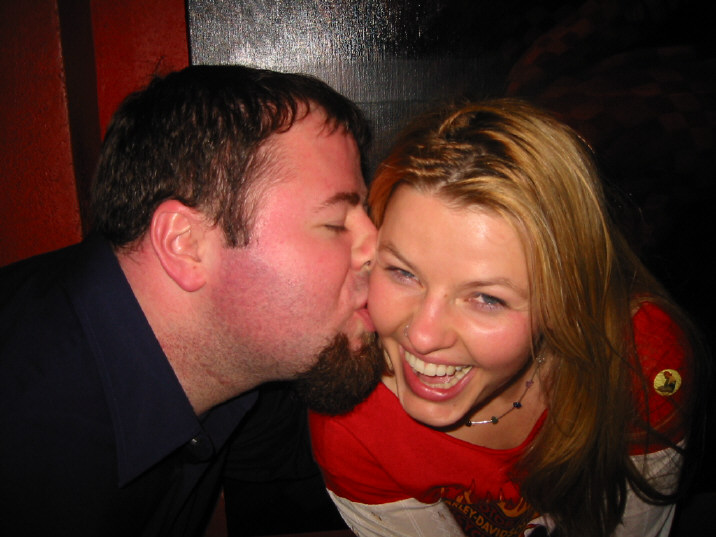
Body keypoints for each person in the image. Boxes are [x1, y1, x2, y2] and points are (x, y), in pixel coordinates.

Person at [0, 64, 384, 536]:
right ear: (185, 243)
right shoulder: (25, 440)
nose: (379, 250)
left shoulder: (223, 365)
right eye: (336, 223)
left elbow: (326, 456)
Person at [309, 99, 710, 537]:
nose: (422, 336)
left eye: (486, 298)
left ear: (565, 299)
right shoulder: (354, 419)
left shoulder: (640, 356)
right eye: (404, 273)